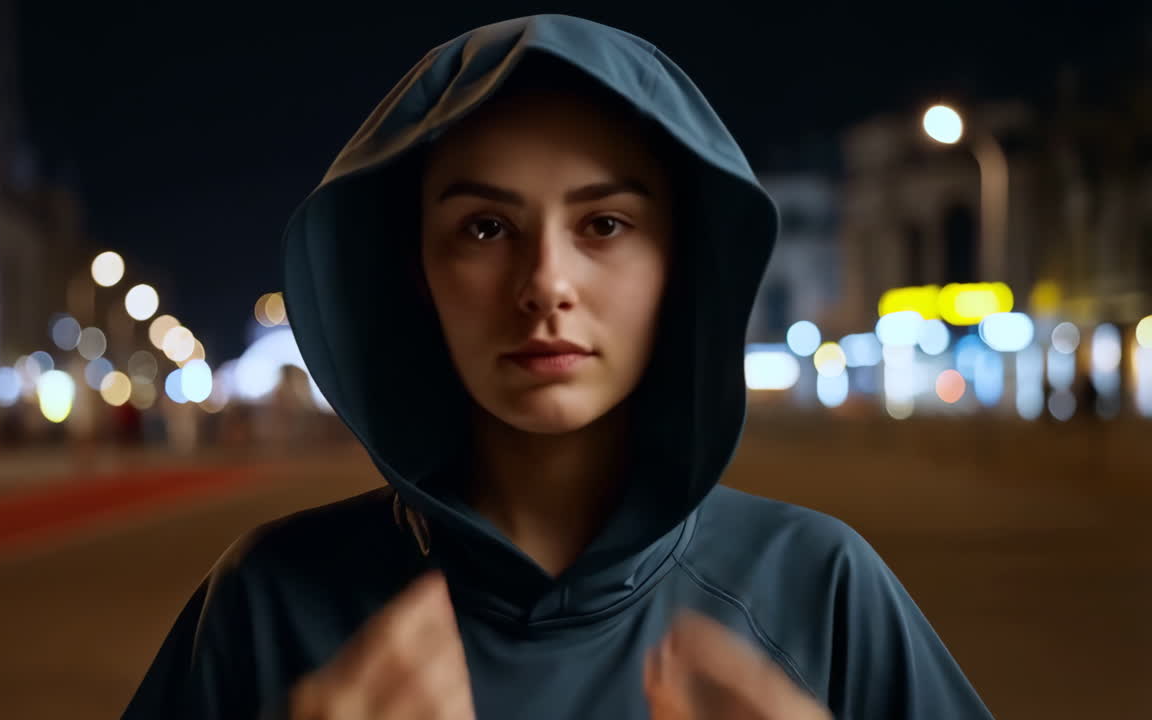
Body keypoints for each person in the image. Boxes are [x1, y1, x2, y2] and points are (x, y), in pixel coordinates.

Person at [120, 15, 995, 720]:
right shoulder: (269, 604)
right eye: (485, 228)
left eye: (605, 224)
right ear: (412, 275)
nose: (546, 285)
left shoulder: (820, 591)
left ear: (681, 269)